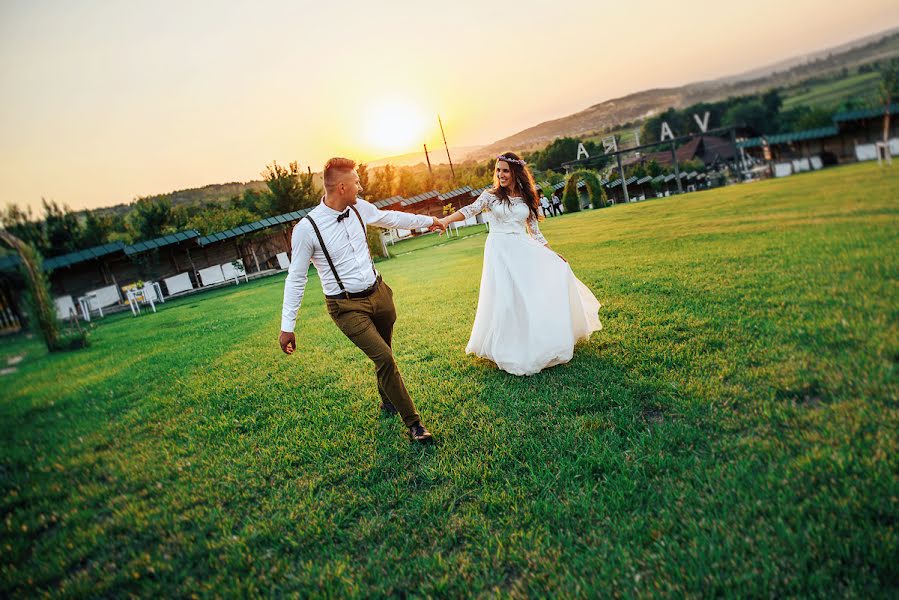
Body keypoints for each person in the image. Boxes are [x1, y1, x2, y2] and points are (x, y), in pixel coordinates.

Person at [279, 157, 445, 443]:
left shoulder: (358, 208)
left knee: (384, 355)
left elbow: (391, 217)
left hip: (379, 294)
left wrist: (430, 221)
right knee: (385, 358)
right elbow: (296, 277)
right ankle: (415, 424)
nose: (361, 185)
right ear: (342, 187)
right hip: (345, 306)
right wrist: (287, 325)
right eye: (356, 181)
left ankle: (387, 400)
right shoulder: (306, 229)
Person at [437, 152, 601, 376]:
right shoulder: (490, 196)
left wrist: (552, 255)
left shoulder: (526, 198)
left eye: (505, 170)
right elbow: (469, 211)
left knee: (528, 296)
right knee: (506, 298)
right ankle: (508, 346)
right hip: (499, 251)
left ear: (515, 172)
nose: (501, 175)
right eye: (498, 170)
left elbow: (535, 232)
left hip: (523, 250)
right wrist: (446, 220)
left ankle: (538, 339)